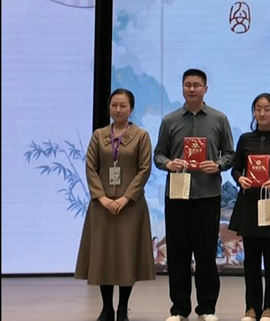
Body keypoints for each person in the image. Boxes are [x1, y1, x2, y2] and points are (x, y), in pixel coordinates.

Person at [154, 69, 235, 321]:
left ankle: (207, 309)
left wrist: (218, 165)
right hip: (177, 195)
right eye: (187, 84)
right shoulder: (170, 121)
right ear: (182, 88)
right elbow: (158, 155)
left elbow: (230, 154)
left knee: (206, 254)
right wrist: (169, 163)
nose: (192, 89)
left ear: (205, 89)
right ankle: (179, 309)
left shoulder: (219, 119)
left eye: (196, 85)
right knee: (178, 254)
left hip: (207, 194)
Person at [75, 88, 155, 321]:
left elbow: (144, 169)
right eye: (114, 105)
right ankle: (106, 308)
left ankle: (122, 308)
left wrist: (125, 198)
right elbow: (91, 168)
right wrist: (102, 198)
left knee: (126, 257)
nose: (118, 110)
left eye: (123, 105)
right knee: (104, 257)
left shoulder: (141, 136)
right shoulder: (99, 135)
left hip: (131, 207)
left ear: (131, 108)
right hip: (102, 207)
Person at [228, 93, 270, 321]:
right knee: (251, 261)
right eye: (258, 109)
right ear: (253, 112)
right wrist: (240, 178)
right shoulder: (245, 138)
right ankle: (252, 308)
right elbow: (236, 169)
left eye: (267, 109)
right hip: (249, 203)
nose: (262, 113)